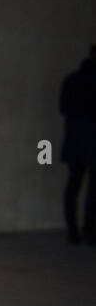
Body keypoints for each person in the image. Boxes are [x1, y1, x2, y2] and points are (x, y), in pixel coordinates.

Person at [60, 46, 96, 244]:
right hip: (88, 141)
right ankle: (89, 231)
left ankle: (74, 231)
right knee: (89, 189)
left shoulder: (72, 80)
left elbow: (63, 108)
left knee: (74, 185)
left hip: (75, 142)